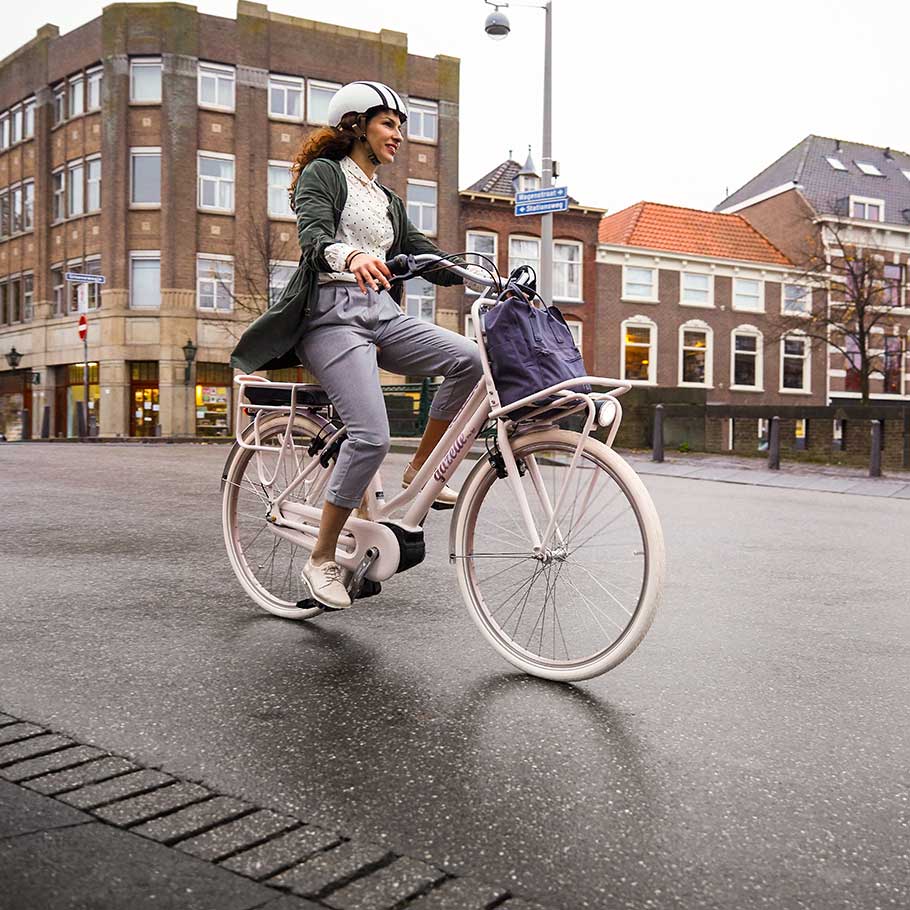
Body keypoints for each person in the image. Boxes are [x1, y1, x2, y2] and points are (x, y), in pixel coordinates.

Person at [231, 81, 485, 611]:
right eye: (388, 123)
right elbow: (314, 238)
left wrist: (481, 278)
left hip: (383, 315)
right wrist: (350, 258)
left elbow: (422, 253)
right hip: (331, 318)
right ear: (355, 124)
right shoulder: (325, 175)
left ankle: (421, 472)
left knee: (470, 359)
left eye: (401, 126)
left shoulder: (388, 200)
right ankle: (321, 558)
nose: (399, 135)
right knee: (370, 437)